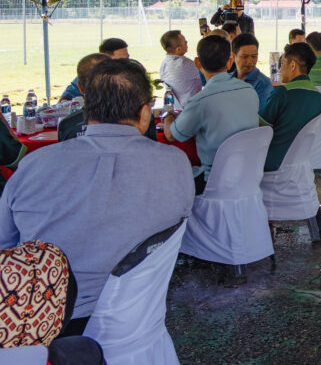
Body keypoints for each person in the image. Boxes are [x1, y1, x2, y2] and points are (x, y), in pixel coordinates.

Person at [0, 58, 193, 327]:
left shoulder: (33, 165)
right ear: (145, 114)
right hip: (138, 317)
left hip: (43, 323)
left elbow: (6, 247)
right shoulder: (176, 163)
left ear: (85, 109)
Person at [162, 35, 259, 194]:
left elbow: (171, 135)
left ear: (197, 63)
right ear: (230, 62)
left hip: (213, 180)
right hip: (248, 176)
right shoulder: (250, 90)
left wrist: (169, 116)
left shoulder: (200, 101)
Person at [259, 43, 321, 172]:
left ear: (292, 65)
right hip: (300, 163)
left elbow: (260, 126)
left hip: (273, 162)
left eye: (282, 64)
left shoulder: (283, 92)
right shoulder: (318, 96)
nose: (280, 69)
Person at [59, 38, 129, 100]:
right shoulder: (87, 76)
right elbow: (64, 100)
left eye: (127, 58)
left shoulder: (130, 75)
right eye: (120, 60)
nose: (126, 63)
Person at [158, 29, 202, 108]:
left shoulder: (164, 64)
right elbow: (208, 74)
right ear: (178, 49)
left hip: (177, 107)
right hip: (193, 107)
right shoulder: (184, 64)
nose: (187, 43)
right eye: (185, 42)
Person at [229, 33, 274, 110]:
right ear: (233, 56)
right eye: (245, 57)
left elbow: (261, 115)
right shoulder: (227, 79)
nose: (250, 61)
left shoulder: (263, 84)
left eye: (254, 56)